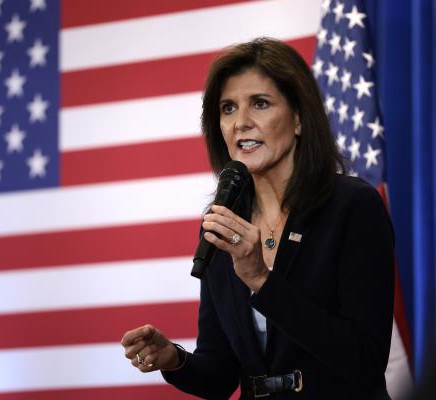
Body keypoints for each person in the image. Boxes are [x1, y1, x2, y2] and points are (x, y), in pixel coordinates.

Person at [121, 38, 394, 399]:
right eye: (228, 108)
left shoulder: (352, 206)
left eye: (260, 104)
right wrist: (174, 359)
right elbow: (220, 373)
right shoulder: (224, 222)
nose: (241, 123)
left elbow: (364, 360)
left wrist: (262, 280)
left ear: (298, 118)